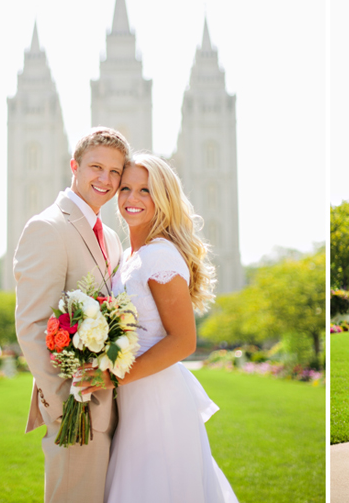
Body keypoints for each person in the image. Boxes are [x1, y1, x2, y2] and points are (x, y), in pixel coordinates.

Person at [80, 153, 238, 502]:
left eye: (145, 190)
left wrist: (113, 377)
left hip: (159, 402)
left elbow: (183, 341)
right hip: (135, 401)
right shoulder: (130, 257)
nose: (132, 198)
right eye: (125, 188)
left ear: (163, 197)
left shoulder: (159, 255)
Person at [14, 127, 131, 502]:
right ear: (74, 167)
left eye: (115, 172)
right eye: (96, 167)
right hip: (77, 411)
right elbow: (32, 325)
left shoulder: (110, 236)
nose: (105, 179)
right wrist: (67, 403)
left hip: (114, 405)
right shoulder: (47, 227)